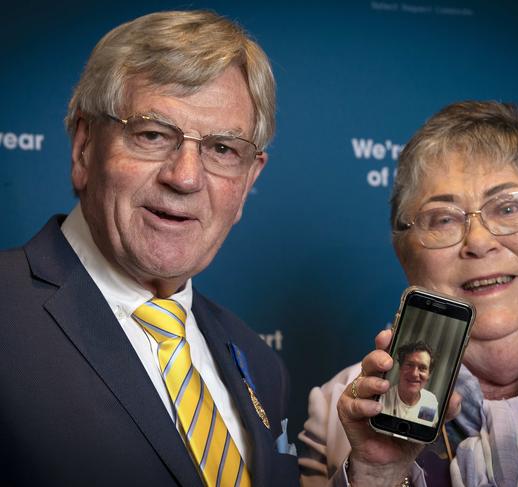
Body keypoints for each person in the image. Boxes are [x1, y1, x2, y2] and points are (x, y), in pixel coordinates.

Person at [0, 11, 298, 487]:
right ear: (83, 147)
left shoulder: (261, 364)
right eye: (152, 135)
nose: (184, 177)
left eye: (222, 149)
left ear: (248, 180)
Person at [299, 101, 518, 487]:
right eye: (444, 218)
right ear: (404, 254)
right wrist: (377, 474)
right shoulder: (336, 411)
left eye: (510, 208)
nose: (479, 242)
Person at [380, 342, 439, 426]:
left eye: (422, 368)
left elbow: (425, 427)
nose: (414, 374)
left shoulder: (430, 401)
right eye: (409, 365)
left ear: (429, 375)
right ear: (400, 368)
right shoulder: (382, 399)